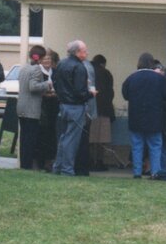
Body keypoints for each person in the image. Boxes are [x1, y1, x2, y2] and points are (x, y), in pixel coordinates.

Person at [122, 52, 166, 179]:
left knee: (137, 146)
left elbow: (125, 95)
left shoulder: (131, 78)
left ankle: (137, 172)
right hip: (155, 118)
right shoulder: (159, 79)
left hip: (136, 117)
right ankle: (155, 172)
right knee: (155, 146)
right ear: (152, 64)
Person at [52, 40, 95, 176]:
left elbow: (55, 82)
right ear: (77, 52)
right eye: (84, 51)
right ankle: (67, 169)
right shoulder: (79, 67)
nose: (86, 53)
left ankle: (58, 167)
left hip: (63, 105)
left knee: (63, 137)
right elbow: (80, 92)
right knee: (72, 140)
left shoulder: (61, 64)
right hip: (75, 106)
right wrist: (90, 93)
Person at [16, 44, 53, 170]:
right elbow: (33, 87)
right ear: (40, 57)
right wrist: (47, 84)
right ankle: (27, 165)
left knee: (24, 138)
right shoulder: (36, 69)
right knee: (30, 139)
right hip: (32, 108)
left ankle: (23, 164)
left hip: (21, 106)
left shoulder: (24, 68)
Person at [89, 54, 116, 171]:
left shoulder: (88, 71)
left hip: (90, 110)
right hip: (104, 110)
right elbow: (110, 92)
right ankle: (99, 162)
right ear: (103, 64)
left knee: (90, 138)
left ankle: (89, 160)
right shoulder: (106, 73)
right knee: (101, 139)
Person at [36, 50, 60, 172]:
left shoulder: (55, 72)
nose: (47, 61)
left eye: (49, 59)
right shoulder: (38, 72)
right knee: (42, 133)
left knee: (52, 134)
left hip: (54, 106)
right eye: (45, 59)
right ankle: (40, 161)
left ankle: (50, 161)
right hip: (42, 106)